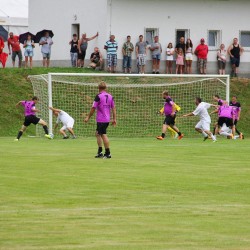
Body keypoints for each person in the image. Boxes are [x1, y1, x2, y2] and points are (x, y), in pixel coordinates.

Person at [84, 81, 117, 159]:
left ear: (98, 88)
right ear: (106, 88)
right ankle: (100, 152)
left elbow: (93, 108)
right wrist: (114, 119)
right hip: (107, 119)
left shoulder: (98, 96)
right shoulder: (110, 96)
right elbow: (114, 108)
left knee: (103, 134)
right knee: (97, 133)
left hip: (101, 119)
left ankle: (108, 153)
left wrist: (88, 117)